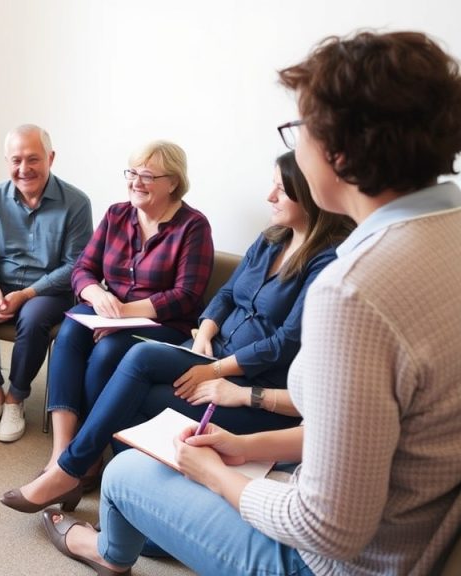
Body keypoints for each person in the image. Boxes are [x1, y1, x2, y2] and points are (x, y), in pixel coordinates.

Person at [44, 30, 461, 576]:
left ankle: (107, 549)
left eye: (299, 128)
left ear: (341, 150)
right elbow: (367, 433)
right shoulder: (443, 234)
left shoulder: (353, 288)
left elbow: (328, 529)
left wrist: (213, 475)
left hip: (339, 562)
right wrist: (245, 449)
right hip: (412, 523)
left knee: (126, 479)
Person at [4, 151, 352, 515]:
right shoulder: (270, 239)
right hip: (208, 349)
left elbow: (285, 343)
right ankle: (80, 468)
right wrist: (204, 334)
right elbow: (228, 293)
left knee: (138, 379)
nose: (269, 196)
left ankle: (77, 474)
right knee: (115, 351)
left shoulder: (328, 261)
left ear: (310, 194)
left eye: (280, 189)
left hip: (251, 381)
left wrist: (217, 369)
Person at [41, 140, 213, 485]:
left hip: (162, 325)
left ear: (173, 182)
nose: (136, 182)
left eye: (147, 175)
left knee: (108, 351)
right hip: (109, 315)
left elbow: (185, 296)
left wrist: (121, 314)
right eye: (132, 172)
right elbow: (83, 269)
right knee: (71, 330)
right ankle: (61, 450)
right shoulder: (117, 214)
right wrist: (93, 292)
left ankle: (90, 454)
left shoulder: (192, 226)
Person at [0, 124, 92, 442]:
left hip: (51, 290)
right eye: (16, 160)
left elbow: (76, 265)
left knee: (32, 319)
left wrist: (28, 293)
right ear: (7, 161)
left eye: (33, 159)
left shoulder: (76, 202)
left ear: (51, 158)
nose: (24, 169)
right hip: (2, 283)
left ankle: (16, 399)